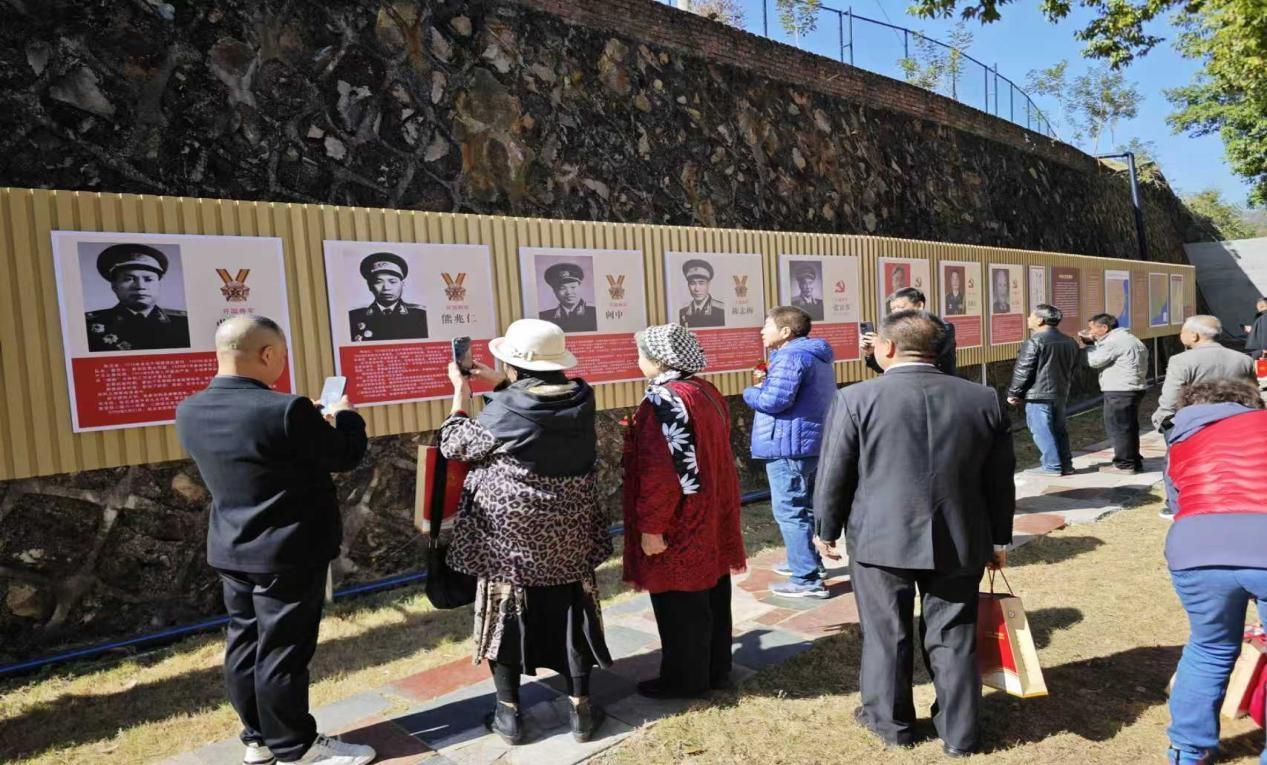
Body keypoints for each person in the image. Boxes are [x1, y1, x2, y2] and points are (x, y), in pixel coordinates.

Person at [814, 310, 1015, 757]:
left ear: (886, 347)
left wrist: (825, 528)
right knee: (955, 633)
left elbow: (834, 472)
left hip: (880, 538)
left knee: (886, 633)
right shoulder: (982, 398)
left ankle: (891, 724)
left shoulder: (856, 397)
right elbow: (1000, 480)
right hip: (960, 535)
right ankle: (960, 733)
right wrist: (999, 538)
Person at [175, 316, 374, 765]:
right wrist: (346, 416)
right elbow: (345, 454)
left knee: (244, 643)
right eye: (282, 355)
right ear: (267, 354)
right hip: (288, 549)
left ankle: (258, 739)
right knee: (284, 649)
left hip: (232, 544)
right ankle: (295, 746)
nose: (282, 364)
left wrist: (309, 423)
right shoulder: (285, 409)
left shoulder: (190, 409)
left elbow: (262, 456)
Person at [441, 319, 612, 745]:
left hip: (511, 542)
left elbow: (454, 444)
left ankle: (510, 714)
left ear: (515, 365)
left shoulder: (506, 409)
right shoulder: (582, 396)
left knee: (505, 617)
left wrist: (460, 392)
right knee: (573, 613)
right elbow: (536, 408)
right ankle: (581, 710)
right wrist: (502, 382)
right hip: (570, 535)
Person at [623, 323, 745, 699]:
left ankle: (684, 679)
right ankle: (716, 668)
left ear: (659, 360)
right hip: (709, 509)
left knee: (679, 600)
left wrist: (652, 526)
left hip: (681, 519)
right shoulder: (703, 390)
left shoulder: (664, 399)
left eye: (641, 354)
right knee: (711, 592)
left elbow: (660, 472)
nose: (638, 361)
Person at [1160, 378, 1267, 765]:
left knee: (1209, 648)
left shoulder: (1180, 439)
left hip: (1197, 549)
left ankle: (1188, 750)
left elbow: (1177, 502)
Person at [742, 307, 836, 598]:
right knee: (804, 506)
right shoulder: (813, 354)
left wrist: (751, 391)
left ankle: (806, 579)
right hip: (808, 443)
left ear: (785, 331)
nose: (761, 331)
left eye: (766, 325)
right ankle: (808, 562)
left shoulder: (790, 356)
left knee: (790, 511)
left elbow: (774, 401)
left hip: (788, 445)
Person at [1151, 315, 1254, 520]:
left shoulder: (1181, 360)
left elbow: (1170, 396)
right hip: (1233, 419)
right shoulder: (1243, 359)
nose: (1180, 335)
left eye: (1182, 331)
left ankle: (1176, 506)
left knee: (1178, 463)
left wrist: (1162, 419)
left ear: (1195, 335)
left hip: (1192, 422)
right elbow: (1252, 392)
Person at [1006, 304, 1081, 476]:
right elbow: (1074, 367)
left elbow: (1023, 370)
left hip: (1038, 394)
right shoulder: (1070, 341)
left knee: (1041, 430)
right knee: (1059, 429)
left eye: (1031, 315)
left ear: (1040, 320)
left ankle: (1052, 466)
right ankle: (1066, 465)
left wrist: (1014, 393)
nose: (1028, 318)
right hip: (1060, 392)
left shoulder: (1035, 342)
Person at [1078, 313, 1149, 474]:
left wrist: (1088, 344)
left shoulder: (1114, 341)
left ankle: (1124, 464)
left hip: (1120, 390)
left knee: (1119, 427)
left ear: (1104, 327)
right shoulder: (1129, 338)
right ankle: (1133, 460)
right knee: (1129, 427)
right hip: (1133, 388)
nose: (1090, 332)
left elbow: (1094, 361)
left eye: (1092, 328)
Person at [85, 243, 190, 352]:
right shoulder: (88, 325)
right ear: (114, 286)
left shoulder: (184, 323)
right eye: (128, 279)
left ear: (159, 284)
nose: (140, 286)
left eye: (148, 279)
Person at [861, 287, 957, 376]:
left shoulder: (941, 328)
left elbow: (931, 360)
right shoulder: (892, 330)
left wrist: (881, 344)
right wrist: (871, 352)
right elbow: (885, 368)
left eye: (901, 307)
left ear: (919, 305)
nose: (896, 312)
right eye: (893, 309)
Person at [348, 252, 428, 342]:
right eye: (378, 282)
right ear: (370, 285)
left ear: (402, 284)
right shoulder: (354, 317)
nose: (386, 288)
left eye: (392, 281)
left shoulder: (421, 315)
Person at [538, 262, 599, 332]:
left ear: (580, 287)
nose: (569, 292)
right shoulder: (543, 318)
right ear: (554, 291)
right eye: (562, 288)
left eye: (573, 287)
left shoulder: (595, 314)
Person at [679, 259, 726, 328]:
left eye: (701, 283)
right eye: (692, 283)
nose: (697, 289)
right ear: (688, 285)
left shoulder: (721, 310)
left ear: (708, 284)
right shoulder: (683, 312)